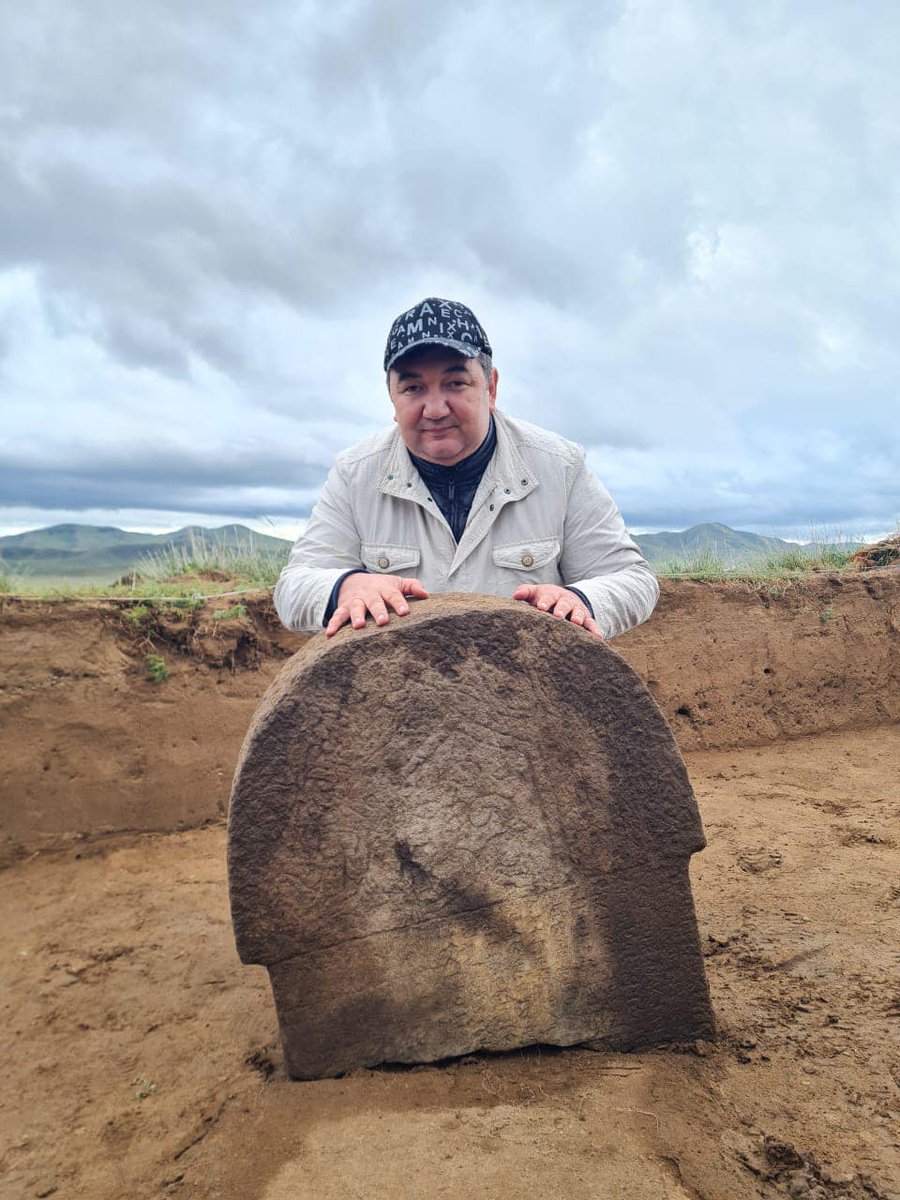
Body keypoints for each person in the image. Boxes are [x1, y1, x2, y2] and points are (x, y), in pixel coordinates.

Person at [274, 297, 658, 639]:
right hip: (397, 702)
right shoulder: (354, 473)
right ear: (392, 398)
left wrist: (581, 599)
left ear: (490, 388)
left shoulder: (560, 465)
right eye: (413, 389)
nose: (435, 409)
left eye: (455, 383)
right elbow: (293, 588)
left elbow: (633, 580)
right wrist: (345, 586)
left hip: (531, 698)